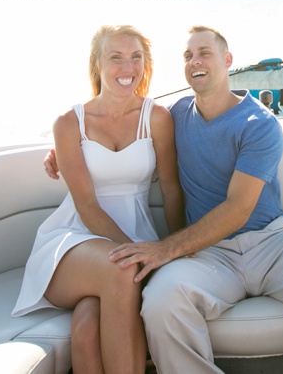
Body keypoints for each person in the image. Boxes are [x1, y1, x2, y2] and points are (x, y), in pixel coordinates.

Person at [104, 26, 283, 373]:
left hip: (272, 243)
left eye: (204, 53)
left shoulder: (259, 123)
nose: (195, 61)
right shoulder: (175, 115)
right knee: (161, 299)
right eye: (188, 56)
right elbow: (119, 122)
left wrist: (167, 249)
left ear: (227, 61)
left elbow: (238, 209)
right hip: (211, 255)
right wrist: (65, 148)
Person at [14, 24, 184, 374]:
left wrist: (175, 250)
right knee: (121, 268)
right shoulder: (68, 123)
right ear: (97, 64)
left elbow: (170, 189)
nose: (127, 68)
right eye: (116, 57)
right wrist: (138, 253)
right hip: (73, 241)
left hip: (135, 242)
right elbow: (87, 207)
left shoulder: (157, 118)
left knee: (87, 327)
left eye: (136, 57)